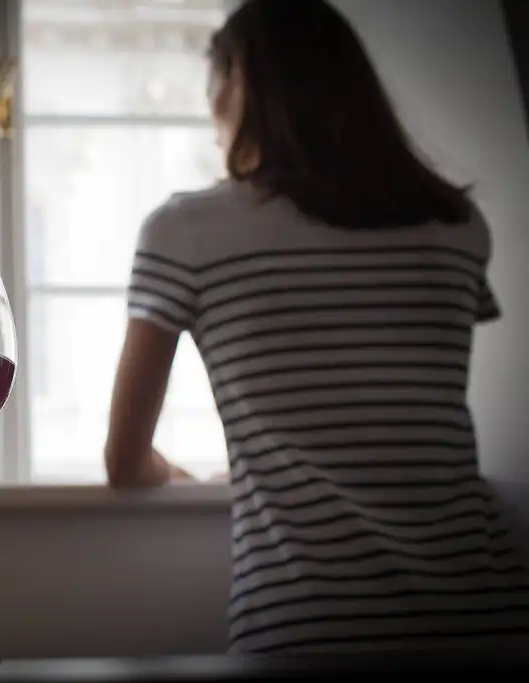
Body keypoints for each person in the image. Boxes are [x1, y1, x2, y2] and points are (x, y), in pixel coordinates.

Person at [103, 0, 529, 654]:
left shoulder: (186, 231)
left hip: (307, 624)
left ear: (234, 91)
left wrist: (201, 474)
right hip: (489, 618)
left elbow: (125, 462)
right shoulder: (456, 226)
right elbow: (396, 412)